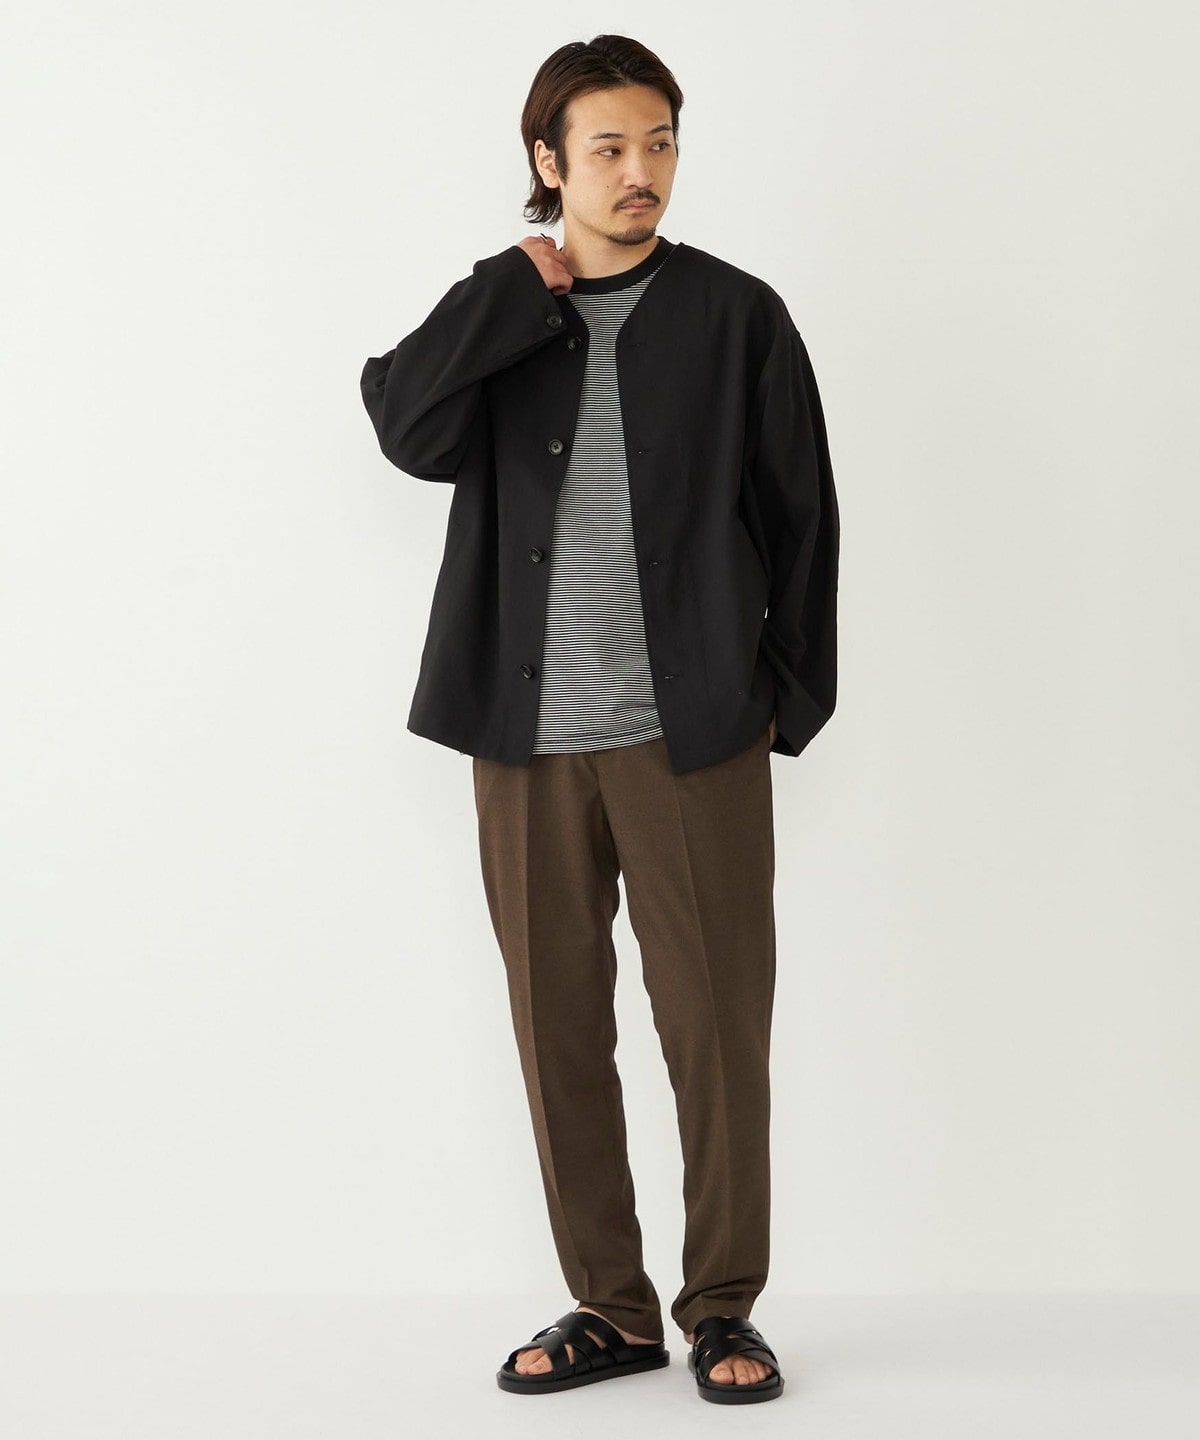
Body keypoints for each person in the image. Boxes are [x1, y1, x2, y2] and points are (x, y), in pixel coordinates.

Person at [360, 33, 839, 1406]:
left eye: (661, 143)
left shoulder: (737, 315)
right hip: (523, 741)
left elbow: (803, 517)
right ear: (549, 162)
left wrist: (778, 701)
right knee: (555, 1025)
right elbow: (402, 421)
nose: (643, 172)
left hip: (692, 734)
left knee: (715, 1028)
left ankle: (723, 1306)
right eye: (611, 147)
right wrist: (510, 289)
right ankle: (611, 1309)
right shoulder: (505, 313)